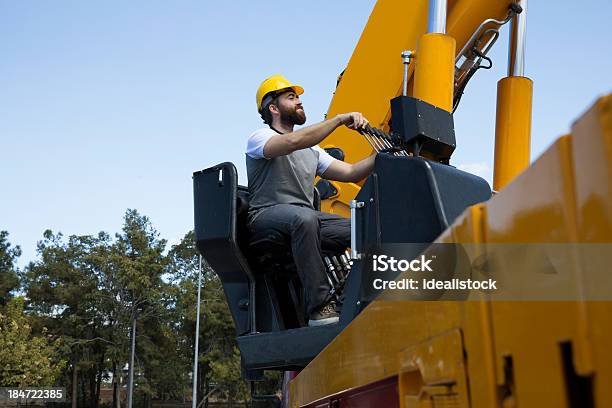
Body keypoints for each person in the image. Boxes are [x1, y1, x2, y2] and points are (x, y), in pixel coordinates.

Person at [246, 74, 375, 326]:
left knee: (368, 228)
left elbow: (351, 172)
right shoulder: (259, 137)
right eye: (291, 97)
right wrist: (338, 120)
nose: (299, 102)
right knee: (303, 218)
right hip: (266, 216)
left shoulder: (314, 150)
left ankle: (346, 301)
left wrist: (383, 154)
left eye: (299, 98)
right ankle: (319, 309)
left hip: (306, 220)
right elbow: (294, 141)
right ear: (273, 108)